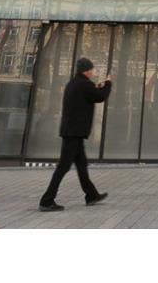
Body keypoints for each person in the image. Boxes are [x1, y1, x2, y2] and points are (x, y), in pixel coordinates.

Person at [39, 57, 112, 212]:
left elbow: (90, 94)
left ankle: (91, 195)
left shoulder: (74, 84)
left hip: (71, 131)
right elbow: (99, 97)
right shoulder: (84, 84)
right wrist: (108, 84)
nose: (93, 72)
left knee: (81, 165)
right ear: (87, 70)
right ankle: (47, 200)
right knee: (63, 167)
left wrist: (97, 87)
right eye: (92, 69)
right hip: (75, 132)